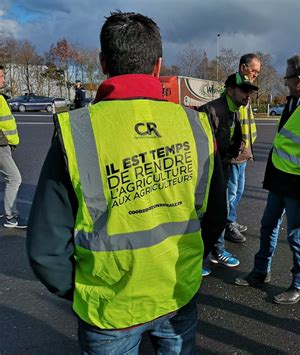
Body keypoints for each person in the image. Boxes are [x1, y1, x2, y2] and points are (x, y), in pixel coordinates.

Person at [27, 11, 226, 354]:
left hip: (109, 307)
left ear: (103, 62)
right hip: (177, 293)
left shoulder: (79, 132)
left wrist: (80, 291)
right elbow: (214, 216)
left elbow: (46, 247)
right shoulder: (195, 126)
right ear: (158, 66)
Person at [235, 54, 300, 305]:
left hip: (299, 189)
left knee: (296, 235)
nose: (286, 82)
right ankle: (261, 271)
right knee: (268, 226)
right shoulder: (295, 102)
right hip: (279, 183)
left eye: (288, 78)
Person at [198, 72, 258, 276]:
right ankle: (195, 260)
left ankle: (217, 251)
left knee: (220, 214)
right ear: (230, 90)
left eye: (250, 92)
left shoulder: (235, 110)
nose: (248, 95)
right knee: (205, 216)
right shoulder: (211, 110)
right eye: (244, 91)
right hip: (206, 172)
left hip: (222, 168)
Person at [224, 53, 261, 243]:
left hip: (244, 153)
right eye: (253, 70)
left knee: (238, 191)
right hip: (234, 155)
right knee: (231, 191)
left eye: (257, 71)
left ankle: (232, 219)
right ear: (243, 67)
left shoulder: (246, 90)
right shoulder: (234, 88)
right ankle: (228, 224)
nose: (255, 74)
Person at [0, 65, 27, 229]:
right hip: (1, 147)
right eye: (1, 76)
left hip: (5, 145)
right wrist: (5, 141)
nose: (3, 79)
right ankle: (11, 217)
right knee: (14, 178)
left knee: (9, 178)